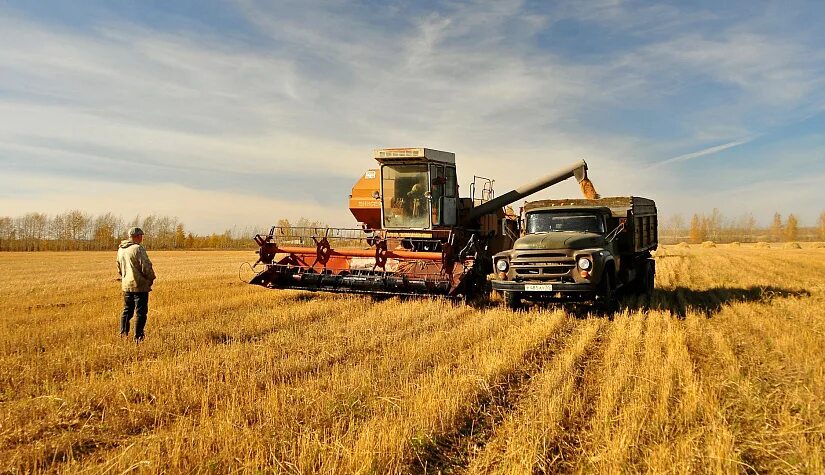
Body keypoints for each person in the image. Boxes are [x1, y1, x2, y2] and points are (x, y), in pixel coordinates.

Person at [117, 227, 156, 342]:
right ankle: (138, 337)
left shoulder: (121, 249)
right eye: (141, 236)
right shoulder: (138, 249)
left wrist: (124, 277)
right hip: (139, 285)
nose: (142, 238)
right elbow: (146, 267)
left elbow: (119, 267)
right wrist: (151, 278)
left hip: (126, 285)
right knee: (140, 312)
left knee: (127, 310)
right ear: (137, 236)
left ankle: (123, 333)